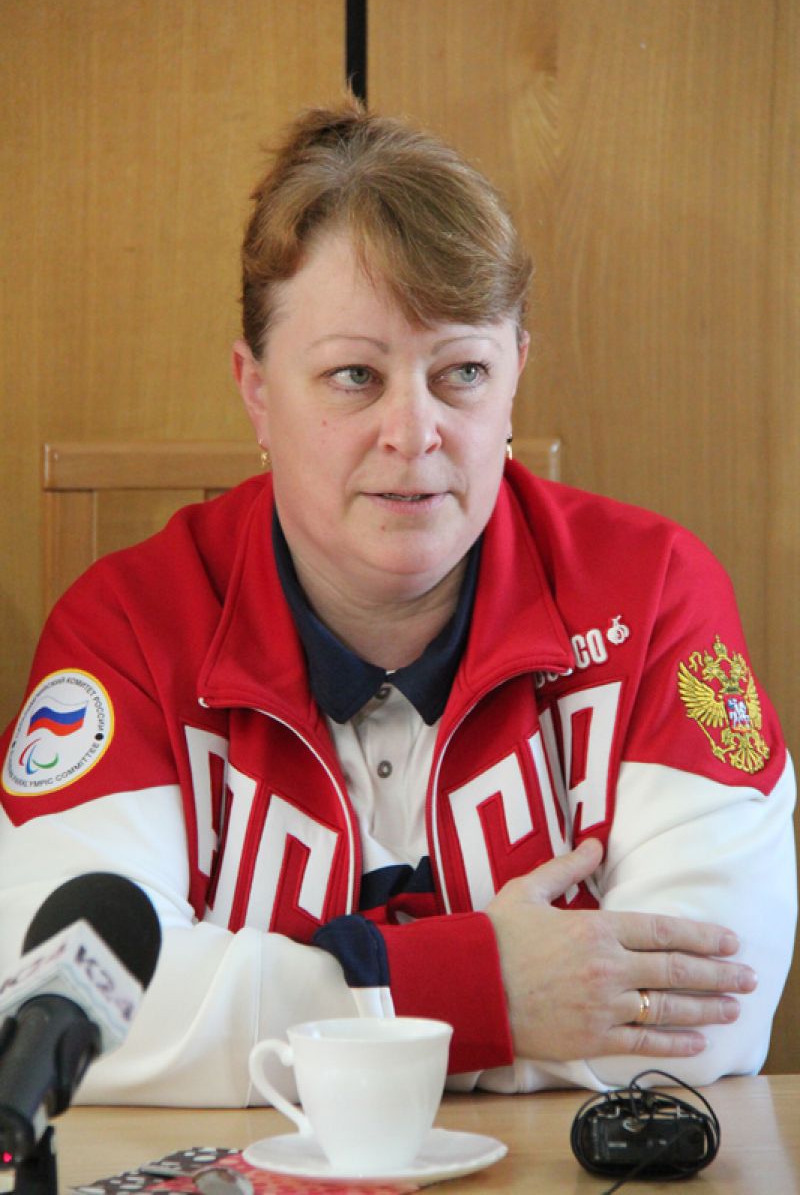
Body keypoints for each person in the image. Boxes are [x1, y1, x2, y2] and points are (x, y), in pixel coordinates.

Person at [0, 99, 795, 1106]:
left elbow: (706, 1016)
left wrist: (266, 1021)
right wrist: (486, 992)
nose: (413, 433)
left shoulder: (653, 596)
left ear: (515, 377)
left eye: (461, 372)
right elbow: (59, 1023)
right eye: (353, 376)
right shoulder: (126, 628)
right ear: (256, 389)